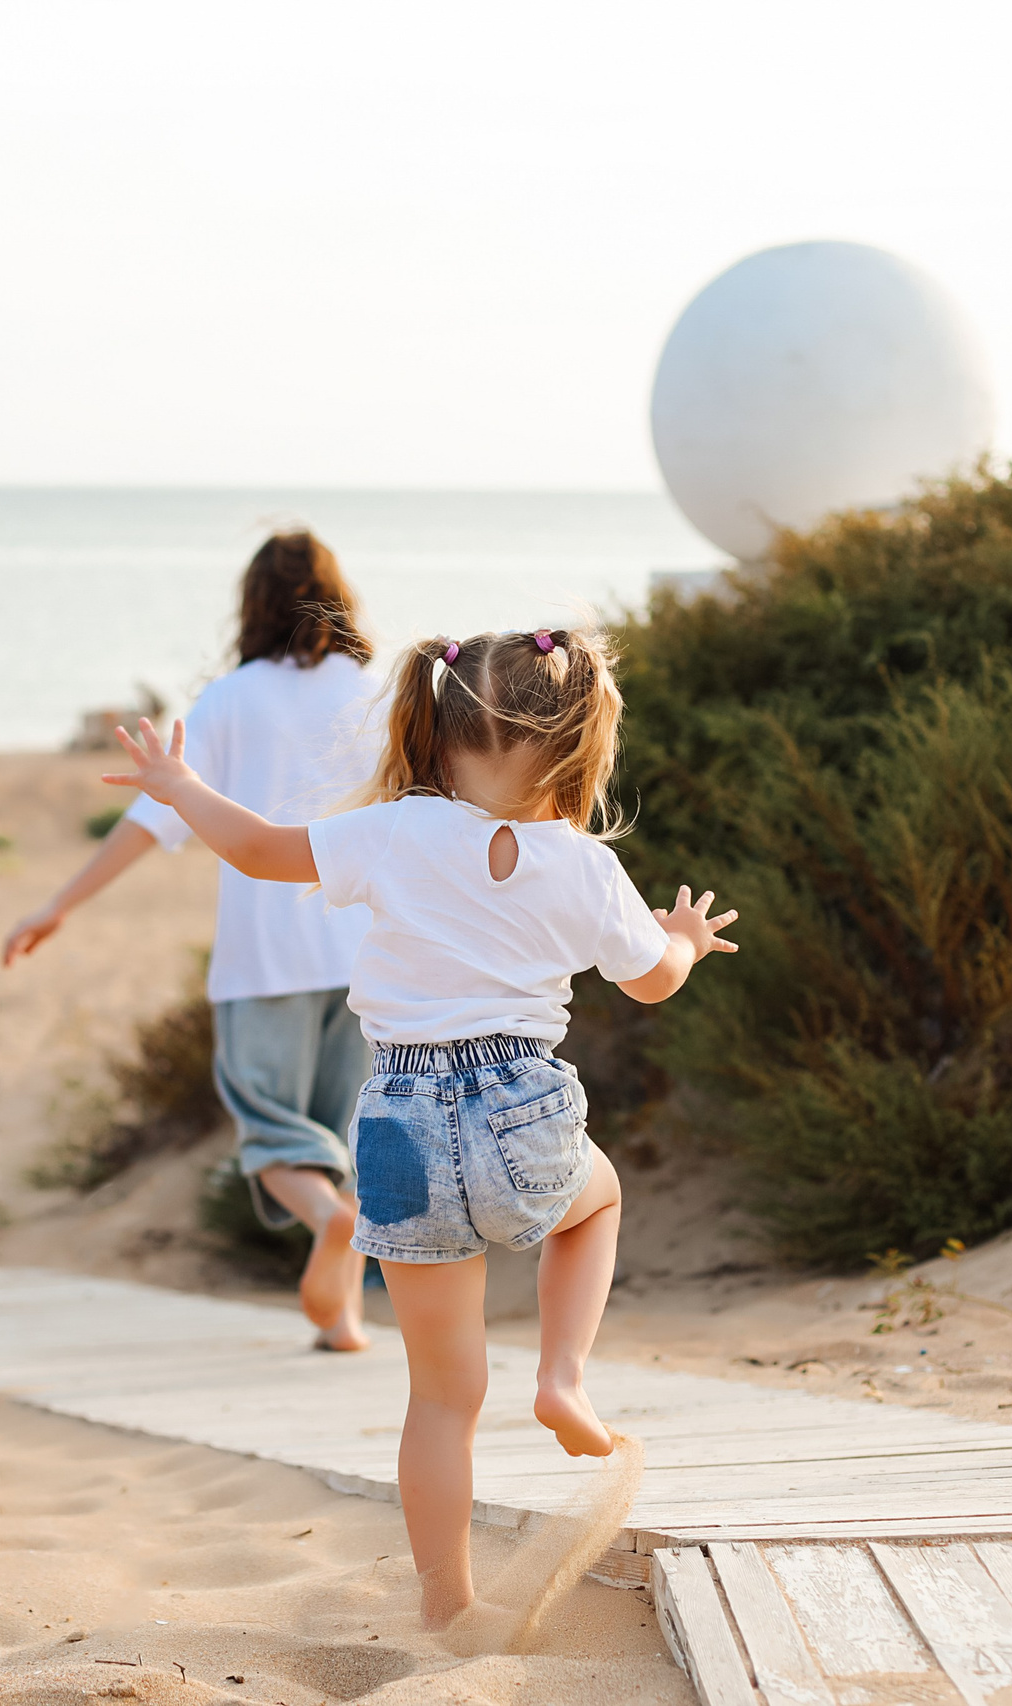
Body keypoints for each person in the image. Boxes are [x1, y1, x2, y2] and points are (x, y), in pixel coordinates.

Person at [99, 625, 739, 1629]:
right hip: (521, 1106)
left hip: (397, 1119)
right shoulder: (579, 862)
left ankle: (446, 1604)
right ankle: (563, 1378)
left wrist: (179, 786)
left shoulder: (391, 830)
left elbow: (263, 849)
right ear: (579, 751)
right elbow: (653, 980)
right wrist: (684, 938)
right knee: (594, 1199)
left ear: (434, 734)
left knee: (442, 1394)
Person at [2, 531, 379, 1352]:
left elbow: (150, 819)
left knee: (274, 1133)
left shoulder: (230, 702)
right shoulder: (379, 693)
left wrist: (59, 904)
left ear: (254, 603)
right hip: (365, 956)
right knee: (343, 1134)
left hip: (265, 958)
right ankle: (343, 1318)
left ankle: (327, 1221)